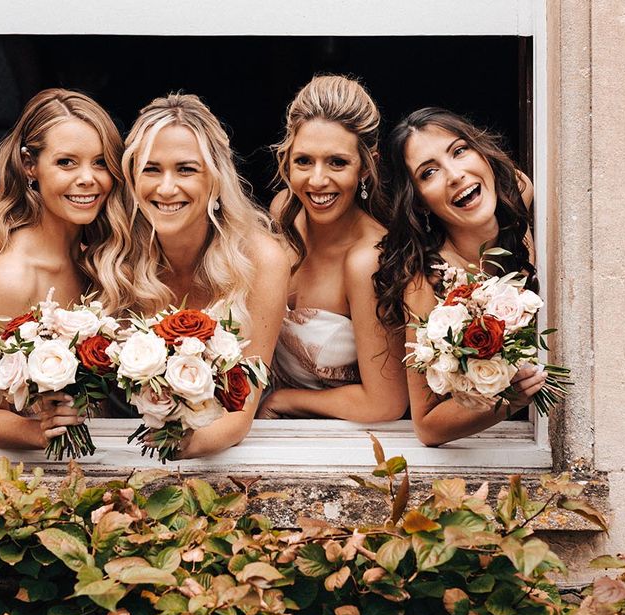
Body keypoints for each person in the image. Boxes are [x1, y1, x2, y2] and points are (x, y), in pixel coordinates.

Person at [0, 88, 132, 450]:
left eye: (100, 162)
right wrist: (39, 432)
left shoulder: (98, 259)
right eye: (66, 162)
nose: (88, 179)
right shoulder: (12, 277)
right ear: (30, 165)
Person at [121, 92, 289, 457]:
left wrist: (175, 451)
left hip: (216, 454)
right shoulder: (113, 258)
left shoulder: (262, 260)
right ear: (133, 179)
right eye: (151, 169)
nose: (166, 188)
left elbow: (240, 415)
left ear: (215, 180)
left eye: (186, 169)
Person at [374, 107, 546, 446]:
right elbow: (427, 425)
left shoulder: (519, 194)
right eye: (429, 173)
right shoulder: (426, 284)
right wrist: (508, 397)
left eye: (459, 151)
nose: (455, 175)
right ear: (419, 203)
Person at [257, 75, 408, 421]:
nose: (317, 180)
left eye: (337, 162)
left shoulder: (368, 260)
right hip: (266, 433)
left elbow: (383, 404)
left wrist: (283, 400)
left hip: (345, 438)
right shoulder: (284, 210)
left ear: (366, 166)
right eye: (304, 161)